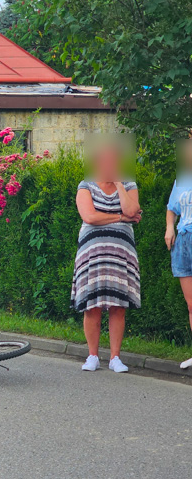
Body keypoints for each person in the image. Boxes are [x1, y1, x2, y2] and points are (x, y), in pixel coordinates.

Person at [71, 138, 142, 372]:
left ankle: (115, 358)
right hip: (92, 255)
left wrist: (119, 184)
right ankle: (92, 356)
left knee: (118, 305)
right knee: (92, 305)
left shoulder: (129, 184)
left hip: (121, 255)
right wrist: (121, 218)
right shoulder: (86, 185)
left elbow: (133, 209)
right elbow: (89, 217)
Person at [164, 139, 192, 368]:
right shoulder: (182, 179)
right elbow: (172, 208)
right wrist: (169, 227)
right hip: (183, 241)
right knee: (191, 304)